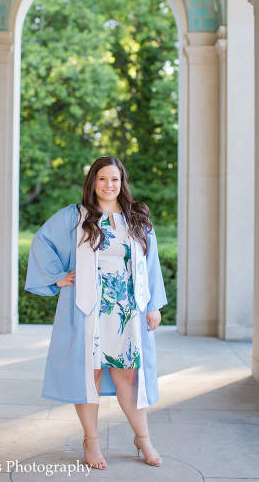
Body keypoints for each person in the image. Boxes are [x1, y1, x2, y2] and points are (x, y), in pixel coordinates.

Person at [25, 156, 168, 469]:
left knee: (129, 375)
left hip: (127, 310)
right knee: (89, 375)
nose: (108, 185)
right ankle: (91, 440)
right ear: (93, 182)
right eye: (102, 178)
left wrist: (154, 305)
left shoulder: (137, 219)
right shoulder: (75, 216)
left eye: (114, 179)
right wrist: (57, 278)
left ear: (122, 182)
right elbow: (42, 241)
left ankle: (143, 438)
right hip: (88, 308)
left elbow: (151, 264)